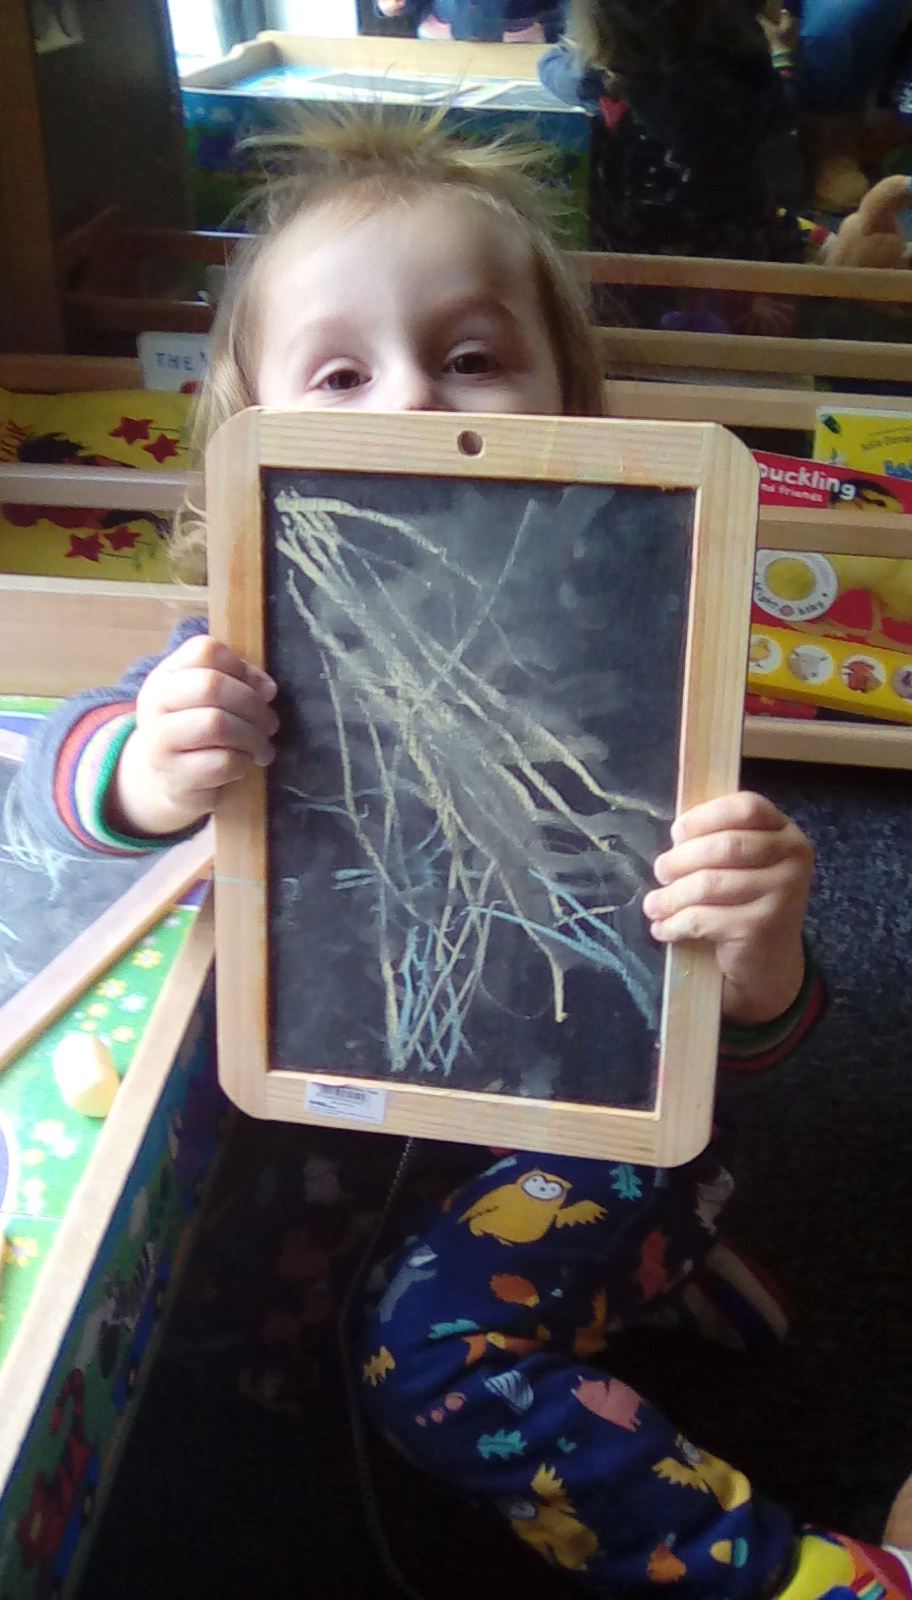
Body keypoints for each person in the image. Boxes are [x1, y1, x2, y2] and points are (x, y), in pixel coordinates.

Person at [17, 109, 912, 1599]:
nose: (415, 402)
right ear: (250, 432)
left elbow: (724, 1031)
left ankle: (814, 1573)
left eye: (472, 355)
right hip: (338, 1138)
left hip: (579, 1131)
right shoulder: (237, 655)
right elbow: (57, 794)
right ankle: (641, 1287)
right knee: (221, 1324)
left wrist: (761, 968)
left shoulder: (629, 672)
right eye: (342, 374)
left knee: (425, 1353)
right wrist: (143, 765)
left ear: (572, 403)